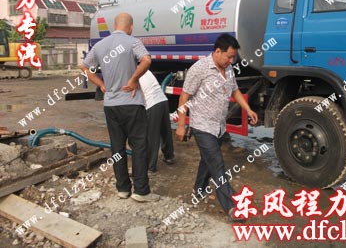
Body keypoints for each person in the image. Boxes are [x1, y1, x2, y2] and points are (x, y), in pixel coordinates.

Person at [175, 33, 258, 220]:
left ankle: (199, 189)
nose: (231, 60)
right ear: (217, 51)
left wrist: (248, 109)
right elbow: (184, 97)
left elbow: (235, 91)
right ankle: (231, 206)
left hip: (219, 125)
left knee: (208, 161)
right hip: (202, 125)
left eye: (234, 57)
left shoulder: (228, 69)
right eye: (229, 56)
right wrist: (181, 124)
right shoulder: (200, 68)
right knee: (217, 163)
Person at [80, 12, 159, 203]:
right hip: (131, 103)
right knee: (139, 147)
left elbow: (83, 66)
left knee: (117, 148)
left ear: (115, 25)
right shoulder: (133, 42)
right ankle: (141, 191)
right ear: (130, 27)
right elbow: (147, 60)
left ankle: (123, 188)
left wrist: (100, 84)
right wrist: (133, 80)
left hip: (111, 105)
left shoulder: (100, 45)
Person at [139, 70, 175, 172]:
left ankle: (150, 165)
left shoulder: (132, 72)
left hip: (151, 103)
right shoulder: (145, 70)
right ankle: (169, 156)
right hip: (162, 101)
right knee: (165, 131)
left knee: (151, 135)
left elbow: (139, 92)